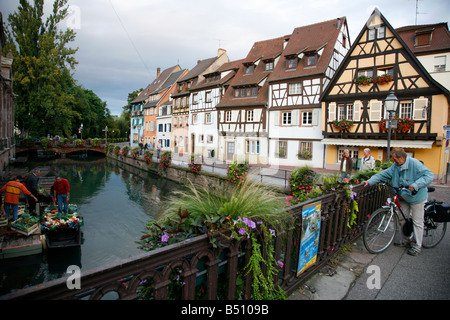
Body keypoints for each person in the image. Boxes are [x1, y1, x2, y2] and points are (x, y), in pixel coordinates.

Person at [362, 148, 434, 256]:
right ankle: (405, 239)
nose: (394, 162)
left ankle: (417, 246)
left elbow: (429, 175)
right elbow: (382, 175)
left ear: (402, 158)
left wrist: (415, 185)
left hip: (416, 197)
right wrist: (369, 181)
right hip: (403, 196)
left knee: (417, 222)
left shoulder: (414, 164)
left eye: (395, 159)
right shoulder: (395, 166)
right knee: (402, 219)